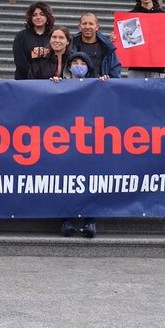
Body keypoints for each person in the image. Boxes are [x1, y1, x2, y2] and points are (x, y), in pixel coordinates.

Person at [60, 50, 99, 238]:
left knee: (91, 181)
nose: (78, 66)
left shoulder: (98, 85)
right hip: (64, 140)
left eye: (82, 63)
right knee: (66, 181)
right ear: (68, 66)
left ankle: (90, 221)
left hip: (90, 139)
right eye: (74, 62)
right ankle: (66, 220)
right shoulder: (59, 84)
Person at [70, 12, 122, 79]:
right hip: (77, 86)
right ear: (80, 27)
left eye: (91, 24)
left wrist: (109, 81)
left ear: (97, 27)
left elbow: (115, 72)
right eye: (84, 23)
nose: (87, 27)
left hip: (100, 87)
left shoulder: (107, 47)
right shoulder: (71, 46)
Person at [12, 2, 55, 80]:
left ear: (47, 16)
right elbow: (20, 61)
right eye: (34, 15)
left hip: (49, 81)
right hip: (25, 80)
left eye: (42, 14)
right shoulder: (21, 36)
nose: (38, 17)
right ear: (30, 17)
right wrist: (33, 76)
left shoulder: (54, 35)